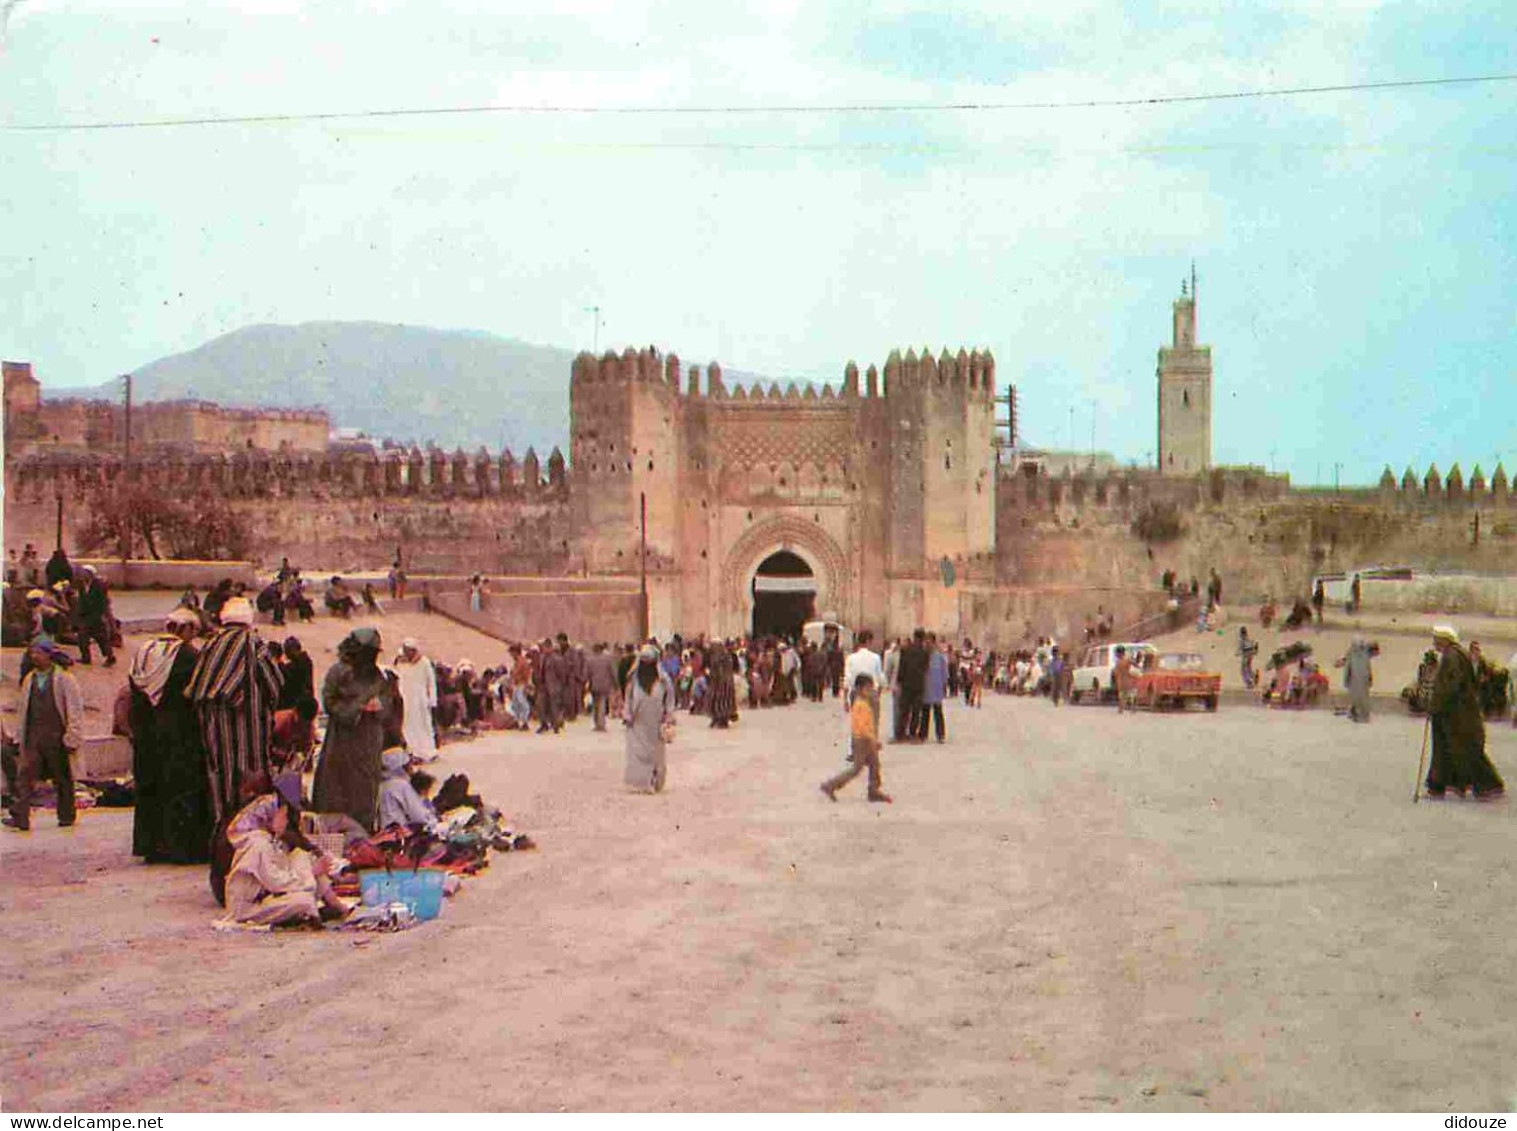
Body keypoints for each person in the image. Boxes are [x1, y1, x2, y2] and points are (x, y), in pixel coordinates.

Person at [186, 597, 283, 825]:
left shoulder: (211, 644)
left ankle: (223, 836)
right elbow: (274, 684)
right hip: (248, 733)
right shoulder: (254, 643)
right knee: (250, 783)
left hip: (213, 731)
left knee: (220, 783)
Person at [128, 609, 211, 862]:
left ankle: (150, 846)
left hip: (145, 734)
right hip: (180, 736)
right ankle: (180, 849)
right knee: (181, 790)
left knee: (149, 788)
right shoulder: (188, 655)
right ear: (186, 629)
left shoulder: (143, 652)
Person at [217, 791, 349, 927]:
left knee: (300, 856)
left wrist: (310, 870)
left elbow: (284, 870)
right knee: (303, 900)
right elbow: (277, 883)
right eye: (283, 817)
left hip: (267, 896)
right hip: (249, 908)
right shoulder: (259, 844)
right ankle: (311, 914)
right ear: (270, 816)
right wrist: (311, 873)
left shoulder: (270, 840)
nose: (285, 822)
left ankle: (336, 905)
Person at [313, 627, 397, 830]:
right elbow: (329, 703)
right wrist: (358, 708)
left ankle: (362, 832)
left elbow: (388, 703)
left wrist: (379, 706)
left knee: (365, 786)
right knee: (338, 785)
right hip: (343, 740)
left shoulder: (378, 676)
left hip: (369, 741)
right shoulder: (338, 672)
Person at [5, 642, 85, 832]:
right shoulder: (29, 680)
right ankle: (20, 815)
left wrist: (72, 736)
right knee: (25, 777)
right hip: (34, 737)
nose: (34, 656)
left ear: (49, 655)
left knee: (62, 778)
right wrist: (19, 737)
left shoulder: (65, 679)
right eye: (32, 653)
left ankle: (66, 815)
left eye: (38, 653)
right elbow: (23, 710)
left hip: (57, 737)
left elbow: (74, 710)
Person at [1423, 626, 1505, 801]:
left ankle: (1488, 785)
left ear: (1444, 640)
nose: (1434, 643)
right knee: (1448, 749)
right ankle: (1438, 786)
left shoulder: (1452, 657)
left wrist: (1436, 704)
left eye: (1436, 639)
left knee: (1465, 751)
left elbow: (1451, 686)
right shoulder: (1454, 654)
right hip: (1455, 714)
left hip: (1456, 715)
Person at [820, 673, 891, 804]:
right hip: (862, 740)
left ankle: (873, 790)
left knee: (875, 765)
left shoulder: (862, 703)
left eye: (871, 689)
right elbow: (863, 727)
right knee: (856, 769)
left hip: (864, 739)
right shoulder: (860, 705)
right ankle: (830, 785)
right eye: (867, 689)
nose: (869, 691)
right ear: (859, 689)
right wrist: (873, 741)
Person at [623, 644, 674, 793]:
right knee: (639, 753)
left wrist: (669, 717)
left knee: (657, 754)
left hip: (657, 723)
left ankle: (656, 779)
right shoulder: (633, 680)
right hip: (638, 722)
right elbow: (629, 699)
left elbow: (669, 699)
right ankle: (643, 781)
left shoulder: (663, 680)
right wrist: (627, 715)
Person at [394, 638, 439, 761]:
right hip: (405, 698)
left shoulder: (424, 662)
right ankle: (411, 752)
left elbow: (431, 682)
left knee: (423, 725)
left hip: (420, 699)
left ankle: (427, 751)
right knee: (407, 725)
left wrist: (432, 699)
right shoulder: (400, 662)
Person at [377, 747, 437, 830]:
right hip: (397, 833)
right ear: (401, 767)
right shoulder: (400, 785)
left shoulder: (383, 784)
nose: (411, 768)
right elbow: (419, 816)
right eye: (409, 764)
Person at [73, 565, 116, 667]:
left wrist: (102, 615)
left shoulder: (99, 585)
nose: (82, 575)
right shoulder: (82, 585)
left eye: (85, 573)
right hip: (85, 615)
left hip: (96, 615)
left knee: (101, 638)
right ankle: (86, 657)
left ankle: (110, 657)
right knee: (82, 636)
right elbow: (82, 600)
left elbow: (102, 602)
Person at [894, 629, 928, 743]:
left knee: (904, 710)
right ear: (922, 638)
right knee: (916, 711)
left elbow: (901, 667)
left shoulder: (906, 650)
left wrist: (899, 681)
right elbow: (925, 669)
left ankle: (900, 734)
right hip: (918, 685)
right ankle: (913, 734)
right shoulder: (924, 653)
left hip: (906, 684)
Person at [916, 636, 949, 743]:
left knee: (938, 712)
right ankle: (922, 734)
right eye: (926, 643)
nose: (927, 645)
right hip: (926, 688)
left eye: (929, 643)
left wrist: (944, 686)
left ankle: (940, 735)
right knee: (925, 713)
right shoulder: (923, 657)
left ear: (934, 643)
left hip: (937, 688)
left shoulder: (939, 657)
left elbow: (944, 673)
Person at [1337, 638, 1374, 723]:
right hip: (1355, 680)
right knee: (1356, 698)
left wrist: (1370, 679)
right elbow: (1348, 668)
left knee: (1362, 698)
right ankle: (1357, 714)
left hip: (1362, 680)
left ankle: (1363, 715)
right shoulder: (1352, 654)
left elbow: (1368, 668)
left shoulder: (1363, 655)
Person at [585, 642, 619, 732]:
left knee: (595, 705)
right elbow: (613, 672)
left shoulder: (590, 659)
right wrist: (616, 684)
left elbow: (587, 673)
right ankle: (601, 723)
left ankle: (597, 723)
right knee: (602, 704)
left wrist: (586, 683)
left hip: (594, 685)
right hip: (605, 684)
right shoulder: (608, 659)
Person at [1112, 645, 1137, 714]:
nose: (1116, 655)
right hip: (1126, 680)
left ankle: (1122, 709)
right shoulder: (1125, 660)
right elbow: (1135, 665)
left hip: (1123, 680)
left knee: (1123, 695)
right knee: (1127, 695)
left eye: (1116, 653)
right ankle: (1129, 708)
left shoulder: (1121, 661)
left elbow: (1116, 672)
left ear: (1120, 653)